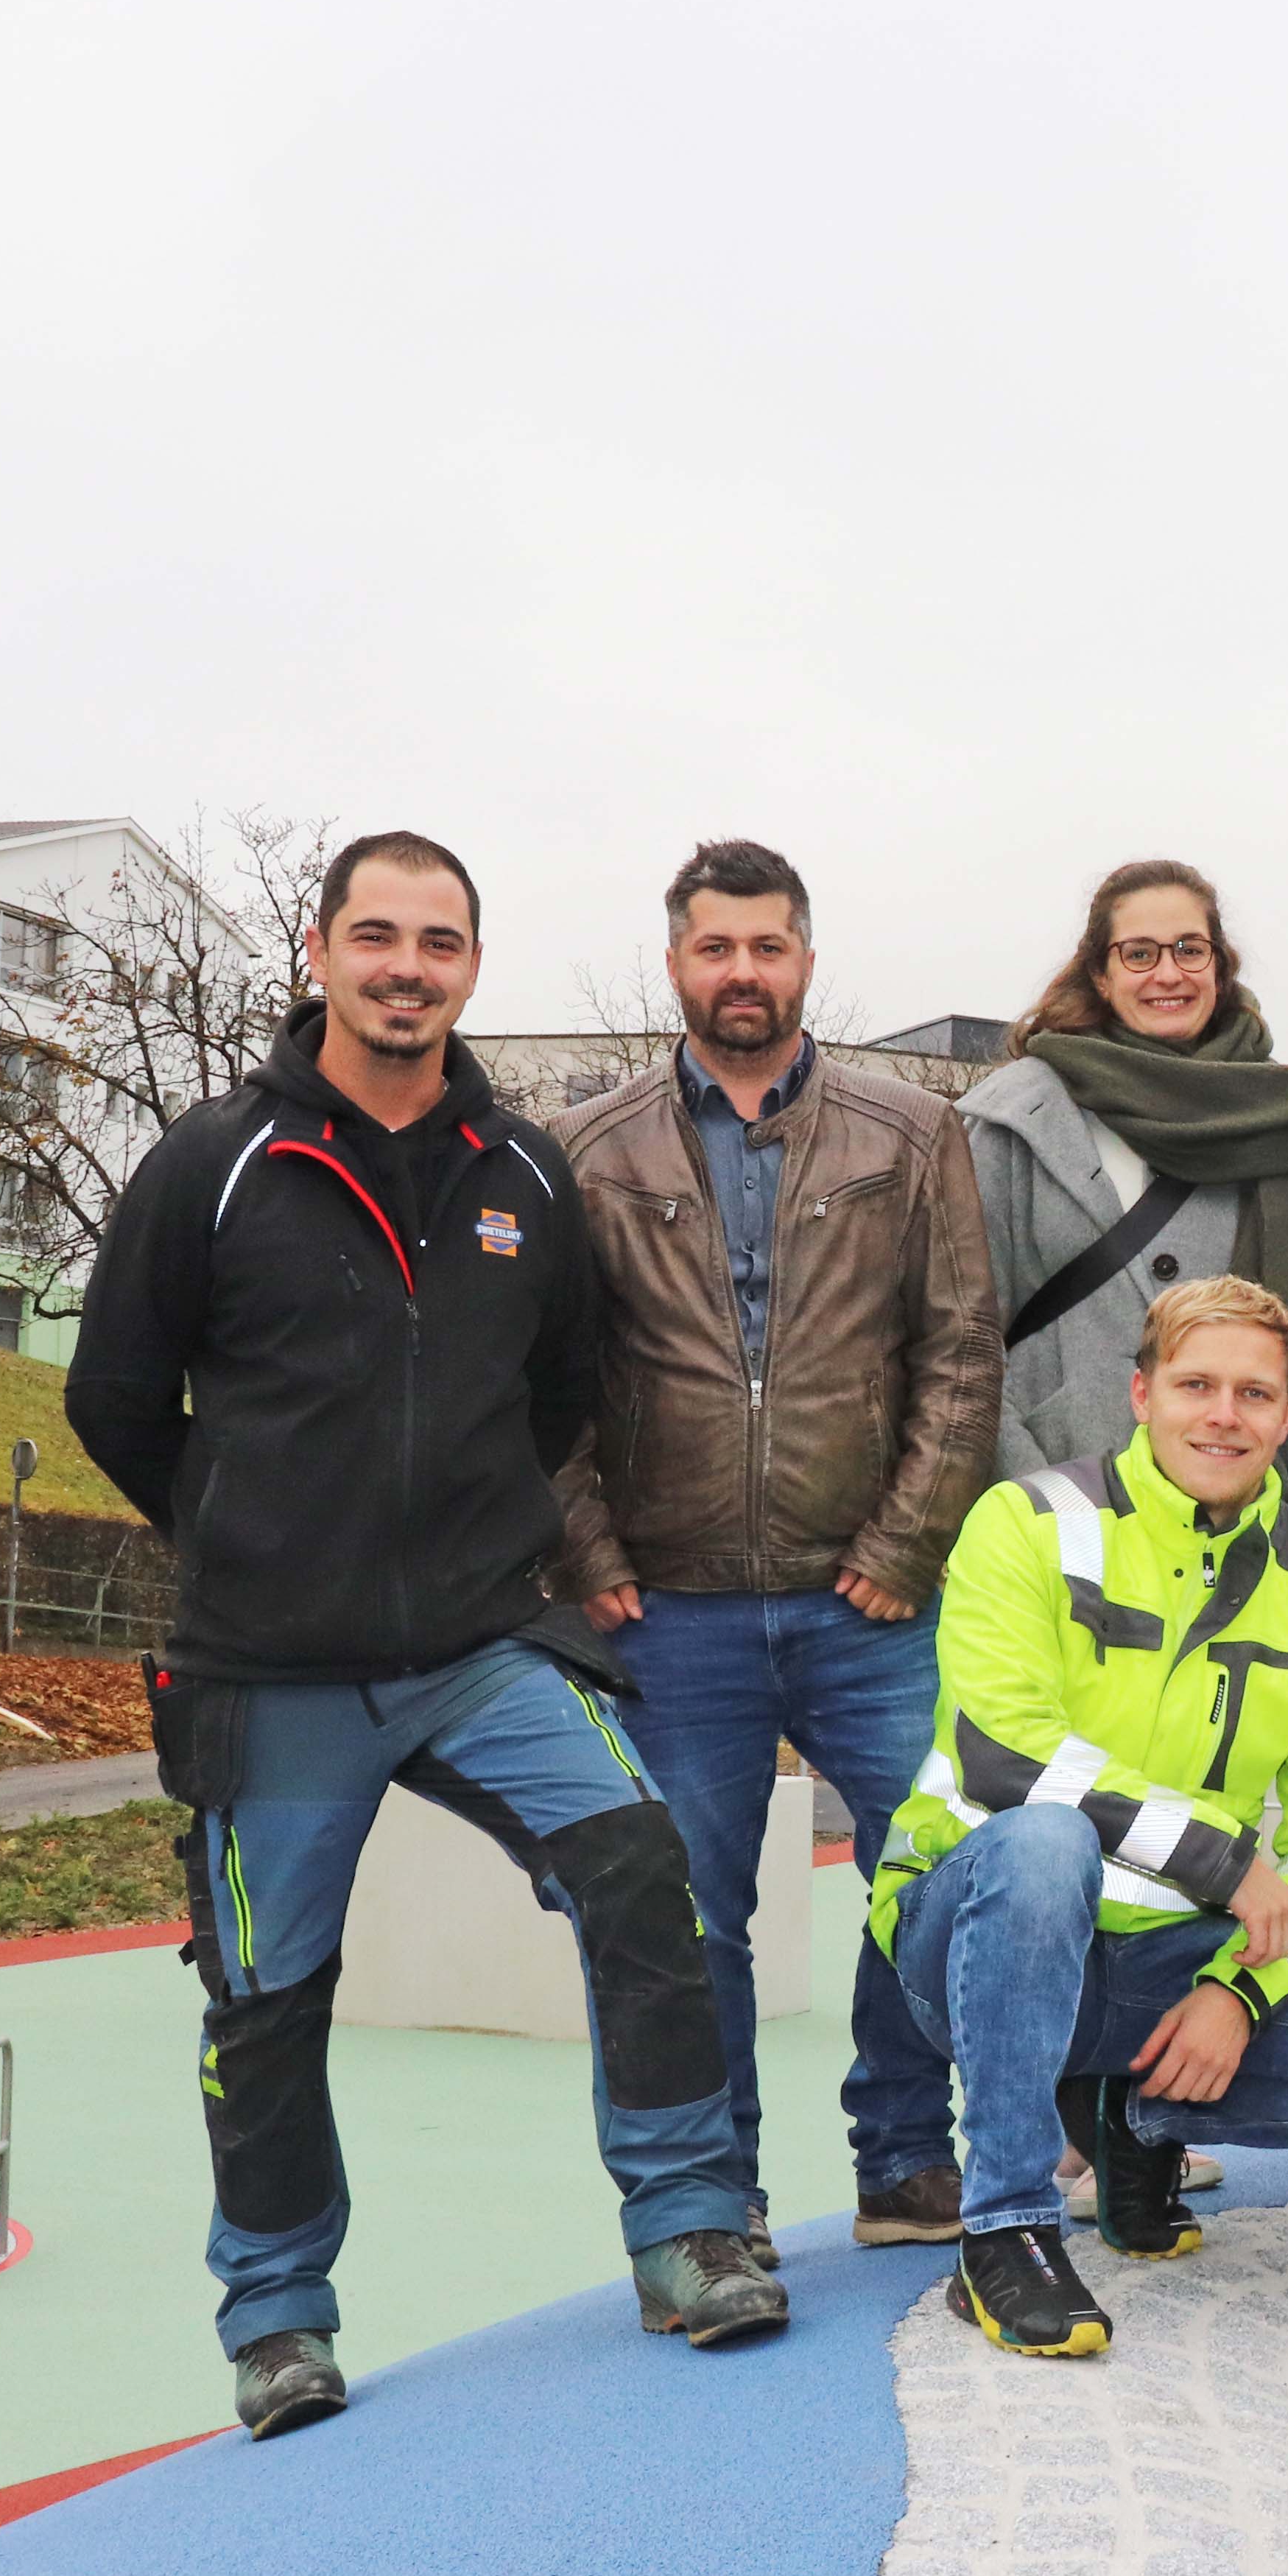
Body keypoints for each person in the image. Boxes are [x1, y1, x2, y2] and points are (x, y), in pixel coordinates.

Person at [67, 832, 784, 2441]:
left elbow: (559, 1392)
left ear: (472, 962)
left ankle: (686, 2229)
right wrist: (247, 1528)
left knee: (641, 1863)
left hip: (479, 1644)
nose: (408, 965)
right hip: (271, 1667)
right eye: (376, 934)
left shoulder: (524, 1172)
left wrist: (476, 1537)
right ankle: (274, 2315)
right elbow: (113, 1395)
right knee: (265, 1991)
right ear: (319, 950)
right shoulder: (215, 1161)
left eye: (440, 940)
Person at [874, 1276, 1288, 2359]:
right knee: (1049, 1844)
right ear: (1142, 1394)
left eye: (1255, 1393)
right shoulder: (1027, 1523)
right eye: (1197, 1384)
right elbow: (1004, 1757)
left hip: (1164, 1958)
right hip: (973, 1937)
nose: (1224, 1415)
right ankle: (1005, 2225)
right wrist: (1222, 1860)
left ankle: (1132, 2115)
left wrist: (1239, 1991)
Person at [549, 840, 1002, 2252]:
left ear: (806, 956)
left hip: (868, 1603)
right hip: (665, 1608)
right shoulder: (586, 1148)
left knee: (930, 1879)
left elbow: (962, 1353)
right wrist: (588, 1547)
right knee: (689, 1921)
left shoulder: (912, 1134)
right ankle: (713, 2196)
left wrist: (908, 1539)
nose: (741, 972)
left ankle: (906, 2156)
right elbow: (543, 1374)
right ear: (674, 961)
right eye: (714, 948)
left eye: (768, 947)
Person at [963, 859, 1288, 1555]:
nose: (1168, 974)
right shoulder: (1013, 1123)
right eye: (1139, 954)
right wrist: (1046, 1514)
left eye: (1190, 949)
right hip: (1059, 1515)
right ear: (1100, 973)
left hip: (1244, 1536)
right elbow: (964, 1348)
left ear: (1219, 965)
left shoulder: (1282, 1122)